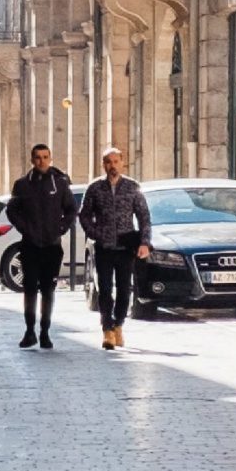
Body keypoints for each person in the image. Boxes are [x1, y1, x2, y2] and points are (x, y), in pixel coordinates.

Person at [5, 142, 79, 349]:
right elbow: (12, 210)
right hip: (29, 245)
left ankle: (45, 332)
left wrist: (61, 228)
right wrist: (25, 228)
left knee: (48, 289)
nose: (42, 161)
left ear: (50, 158)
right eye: (38, 157)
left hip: (52, 246)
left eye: (45, 157)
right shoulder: (22, 185)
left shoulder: (60, 183)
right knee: (29, 289)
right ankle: (29, 331)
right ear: (32, 160)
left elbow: (72, 209)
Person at [78, 147, 151, 352]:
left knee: (124, 288)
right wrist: (95, 233)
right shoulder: (95, 188)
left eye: (116, 161)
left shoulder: (132, 187)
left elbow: (144, 217)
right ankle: (107, 329)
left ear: (122, 162)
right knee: (104, 289)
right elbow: (84, 215)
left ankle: (119, 324)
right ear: (104, 164)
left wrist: (144, 242)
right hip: (104, 246)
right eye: (108, 162)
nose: (112, 166)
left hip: (126, 245)